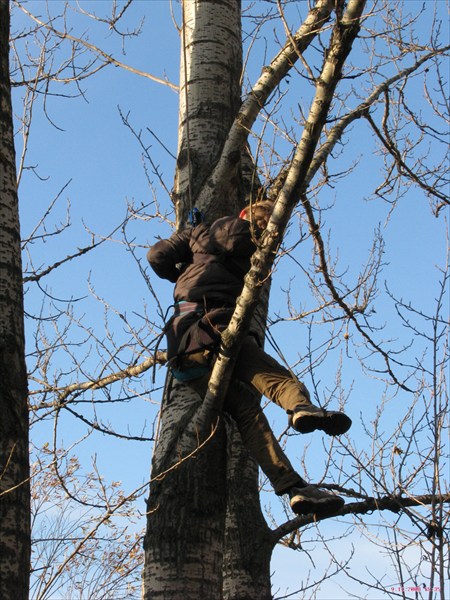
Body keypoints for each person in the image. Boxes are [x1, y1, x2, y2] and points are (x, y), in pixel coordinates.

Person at [147, 200, 351, 517]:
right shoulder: (257, 254)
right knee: (277, 381)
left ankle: (294, 488)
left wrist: (185, 257)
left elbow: (156, 256)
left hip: (183, 349)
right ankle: (299, 408)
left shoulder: (202, 233)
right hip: (217, 330)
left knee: (246, 410)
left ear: (243, 212)